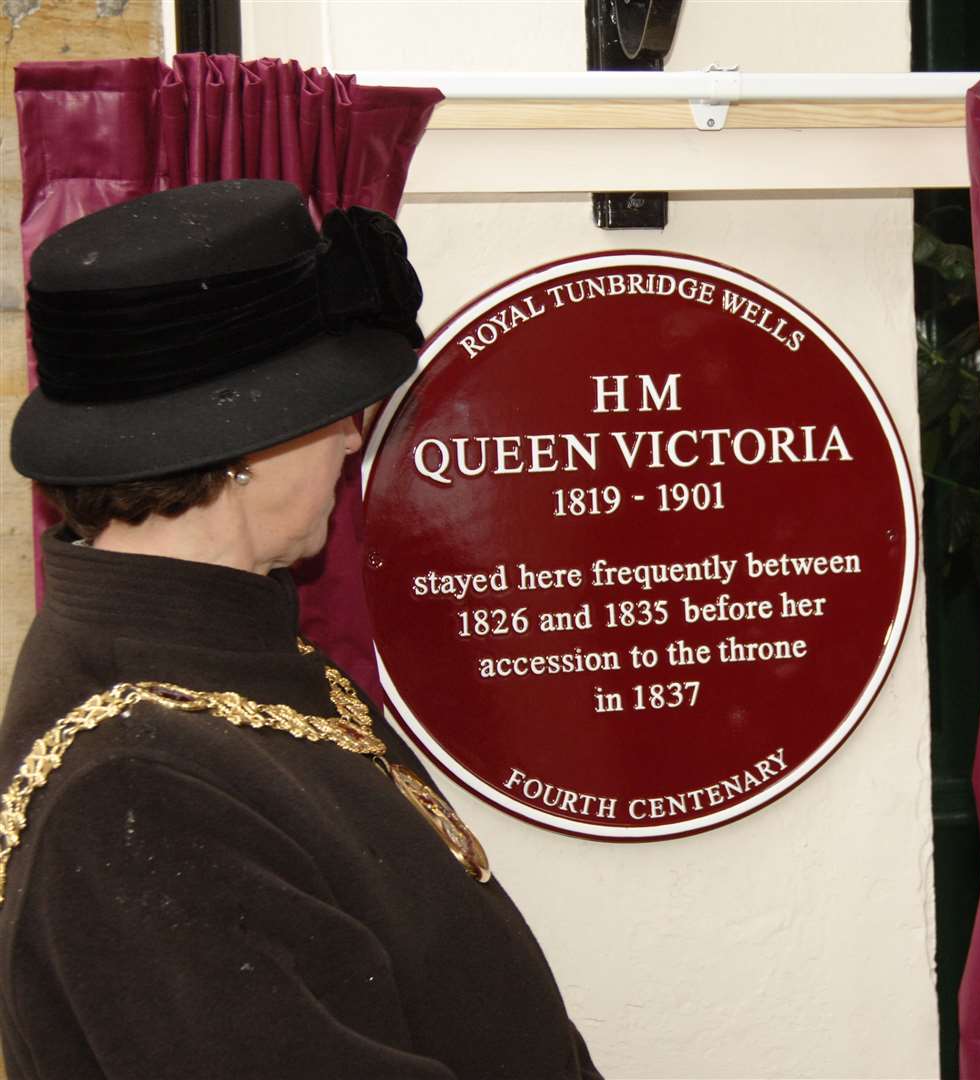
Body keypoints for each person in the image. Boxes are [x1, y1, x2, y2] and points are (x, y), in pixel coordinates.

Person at [0, 180, 601, 1079]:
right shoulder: (133, 787)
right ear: (243, 449)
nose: (355, 442)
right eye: (333, 410)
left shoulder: (223, 651)